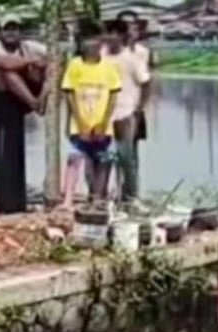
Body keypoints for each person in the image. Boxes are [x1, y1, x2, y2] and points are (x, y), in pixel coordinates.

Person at [0, 15, 46, 213]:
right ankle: (6, 202)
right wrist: (28, 62)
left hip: (22, 99)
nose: (11, 33)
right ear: (0, 32)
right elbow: (4, 64)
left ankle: (37, 101)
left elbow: (51, 62)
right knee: (4, 153)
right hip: (0, 102)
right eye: (7, 29)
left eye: (15, 29)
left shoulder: (32, 46)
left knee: (17, 152)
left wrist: (33, 66)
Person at [61, 21, 119, 202]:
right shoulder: (75, 65)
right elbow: (70, 96)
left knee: (102, 161)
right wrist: (80, 122)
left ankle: (97, 198)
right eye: (86, 39)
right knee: (74, 159)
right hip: (79, 125)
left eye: (95, 39)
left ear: (101, 41)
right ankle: (68, 200)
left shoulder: (109, 67)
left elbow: (112, 97)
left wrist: (103, 123)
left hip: (103, 125)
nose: (91, 44)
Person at [102, 20, 149, 205]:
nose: (111, 38)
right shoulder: (101, 56)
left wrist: (139, 107)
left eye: (115, 34)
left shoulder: (131, 58)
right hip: (103, 113)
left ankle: (130, 197)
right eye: (108, 33)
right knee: (103, 157)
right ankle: (102, 196)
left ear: (122, 36)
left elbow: (146, 83)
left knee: (126, 157)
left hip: (126, 111)